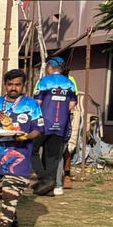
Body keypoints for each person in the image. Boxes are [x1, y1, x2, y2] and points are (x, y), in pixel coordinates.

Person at [0, 70, 43, 227]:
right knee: (6, 196)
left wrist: (26, 136)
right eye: (10, 84)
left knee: (10, 193)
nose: (13, 88)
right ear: (5, 85)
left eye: (17, 84)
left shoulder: (31, 104)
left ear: (23, 86)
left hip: (20, 157)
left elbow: (39, 129)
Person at [32, 55, 78, 197]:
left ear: (50, 68)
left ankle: (43, 179)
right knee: (53, 157)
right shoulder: (69, 83)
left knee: (32, 151)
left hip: (43, 124)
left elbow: (37, 103)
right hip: (61, 125)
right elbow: (72, 104)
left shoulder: (44, 81)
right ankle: (50, 188)